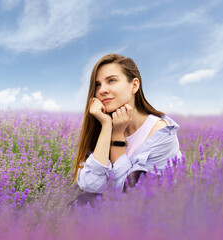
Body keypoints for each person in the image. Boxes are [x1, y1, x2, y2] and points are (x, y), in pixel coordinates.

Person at [68, 53, 182, 208]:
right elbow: (90, 186)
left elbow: (129, 195)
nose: (102, 90)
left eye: (112, 80)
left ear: (134, 85)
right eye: (98, 85)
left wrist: (116, 136)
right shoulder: (101, 126)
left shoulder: (161, 133)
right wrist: (107, 127)